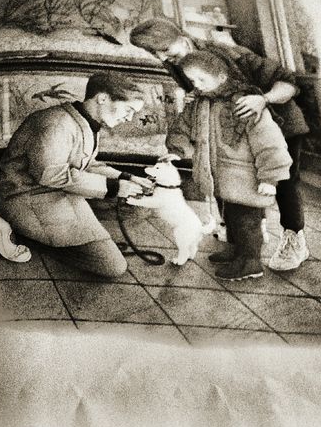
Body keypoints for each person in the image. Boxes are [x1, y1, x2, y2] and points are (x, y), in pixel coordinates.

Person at [128, 17, 311, 271]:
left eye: (166, 51)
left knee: (283, 184)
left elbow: (288, 83)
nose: (162, 59)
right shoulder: (177, 61)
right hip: (237, 131)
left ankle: (294, 240)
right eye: (155, 54)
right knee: (234, 181)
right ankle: (245, 244)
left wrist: (263, 100)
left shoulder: (229, 53)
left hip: (279, 125)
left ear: (182, 38)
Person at [0, 72, 151, 280]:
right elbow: (51, 175)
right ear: (102, 98)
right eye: (128, 109)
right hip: (27, 197)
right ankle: (16, 230)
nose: (129, 118)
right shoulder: (56, 123)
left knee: (136, 207)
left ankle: (71, 235)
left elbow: (87, 164)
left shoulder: (84, 120)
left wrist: (127, 178)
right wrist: (114, 187)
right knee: (114, 266)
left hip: (56, 190)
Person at [165, 51, 292, 281]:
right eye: (193, 81)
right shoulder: (200, 104)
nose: (197, 85)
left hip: (246, 177)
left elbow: (270, 143)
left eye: (202, 80)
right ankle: (236, 252)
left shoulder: (244, 103)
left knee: (247, 221)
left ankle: (251, 262)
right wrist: (176, 150)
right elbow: (182, 127)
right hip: (220, 175)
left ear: (222, 78)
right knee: (230, 217)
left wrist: (270, 178)